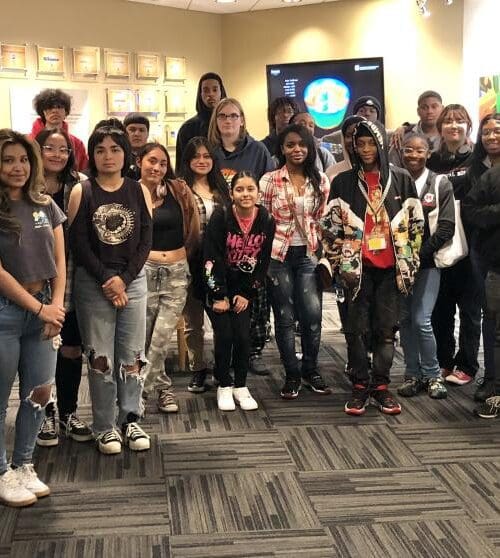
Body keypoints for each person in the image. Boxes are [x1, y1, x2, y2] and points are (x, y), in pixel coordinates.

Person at [319, 119, 424, 415]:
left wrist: (410, 261)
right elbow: (330, 227)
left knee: (386, 330)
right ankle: (359, 386)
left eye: (370, 143)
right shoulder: (343, 182)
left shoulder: (401, 179)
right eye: (359, 144)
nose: (365, 149)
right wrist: (338, 261)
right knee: (355, 330)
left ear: (380, 144)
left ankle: (381, 387)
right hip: (357, 269)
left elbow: (416, 226)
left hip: (391, 269)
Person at [67, 126, 153, 455]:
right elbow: (79, 243)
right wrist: (107, 279)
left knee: (133, 355)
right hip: (94, 283)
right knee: (100, 357)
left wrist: (125, 278)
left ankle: (130, 417)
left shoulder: (138, 190)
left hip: (133, 280)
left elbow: (145, 240)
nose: (108, 156)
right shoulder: (82, 191)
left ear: (125, 154)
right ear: (92, 154)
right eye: (100, 149)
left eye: (115, 149)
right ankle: (104, 426)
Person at [0, 129, 66, 506]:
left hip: (44, 308)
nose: (17, 167)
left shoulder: (45, 204)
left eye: (23, 159)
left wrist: (54, 307)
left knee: (38, 394)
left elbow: (60, 261)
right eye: (8, 160)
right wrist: (39, 307)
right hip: (7, 311)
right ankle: (1, 471)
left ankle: (24, 463)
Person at [261, 123, 330, 399]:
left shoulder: (321, 180)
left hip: (309, 255)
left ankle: (311, 369)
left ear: (310, 147)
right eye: (290, 144)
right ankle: (291, 374)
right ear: (282, 148)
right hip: (278, 255)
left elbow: (324, 220)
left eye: (301, 144)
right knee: (285, 317)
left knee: (312, 316)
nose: (296, 149)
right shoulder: (269, 180)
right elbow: (263, 221)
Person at [33, 128, 93, 447]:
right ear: (38, 150)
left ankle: (68, 411)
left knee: (71, 347)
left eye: (63, 150)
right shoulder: (25, 185)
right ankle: (45, 414)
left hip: (72, 273)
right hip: (33, 277)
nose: (57, 154)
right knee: (39, 350)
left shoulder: (79, 184)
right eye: (50, 148)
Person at [208, 97, 275, 375]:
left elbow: (266, 188)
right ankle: (223, 357)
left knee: (253, 300)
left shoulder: (258, 150)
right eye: (222, 116)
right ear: (216, 121)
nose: (228, 121)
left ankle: (251, 354)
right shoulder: (210, 151)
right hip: (218, 229)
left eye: (234, 116)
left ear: (242, 119)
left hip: (252, 234)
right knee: (220, 304)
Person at [203, 171, 275, 411]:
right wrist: (218, 295)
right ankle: (224, 384)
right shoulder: (221, 216)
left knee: (243, 337)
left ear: (258, 192)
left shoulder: (266, 219)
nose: (245, 194)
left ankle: (240, 385)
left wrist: (246, 292)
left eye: (250, 189)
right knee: (225, 336)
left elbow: (263, 261)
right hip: (216, 285)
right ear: (231, 193)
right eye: (240, 189)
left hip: (243, 288)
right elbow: (210, 258)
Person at [138, 142, 199, 413]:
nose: (157, 167)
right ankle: (163, 388)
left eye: (162, 163)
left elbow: (194, 228)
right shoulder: (130, 191)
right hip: (145, 271)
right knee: (148, 337)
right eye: (152, 161)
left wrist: (184, 255)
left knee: (161, 336)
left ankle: (137, 395)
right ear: (140, 161)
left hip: (176, 271)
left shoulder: (178, 189)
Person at [396, 132, 455, 400]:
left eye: (419, 150)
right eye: (408, 150)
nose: (414, 155)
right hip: (398, 265)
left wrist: (419, 254)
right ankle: (412, 373)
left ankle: (433, 375)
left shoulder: (439, 183)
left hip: (428, 263)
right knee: (405, 320)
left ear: (428, 153)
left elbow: (446, 227)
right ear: (401, 151)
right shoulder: (393, 181)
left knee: (421, 320)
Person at [427, 104, 480, 387]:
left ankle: (468, 364)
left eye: (460, 121)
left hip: (472, 246)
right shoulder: (432, 161)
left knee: (470, 310)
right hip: (440, 243)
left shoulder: (477, 158)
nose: (453, 126)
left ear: (468, 127)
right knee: (440, 309)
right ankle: (443, 361)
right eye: (448, 121)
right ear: (440, 128)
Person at [179, 137, 231, 393]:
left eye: (207, 156)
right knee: (193, 320)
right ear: (188, 160)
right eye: (196, 156)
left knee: (222, 318)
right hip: (191, 260)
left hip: (220, 263)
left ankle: (223, 369)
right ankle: (198, 368)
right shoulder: (179, 188)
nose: (202, 161)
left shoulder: (223, 189)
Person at [462, 112, 500, 403]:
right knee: (492, 319)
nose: (492, 136)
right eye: (486, 132)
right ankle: (491, 380)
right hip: (490, 259)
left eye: (497, 131)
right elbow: (470, 211)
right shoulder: (485, 173)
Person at [175, 72, 227, 173]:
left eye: (215, 90)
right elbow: (181, 166)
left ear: (221, 93)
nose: (211, 94)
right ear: (200, 94)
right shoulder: (188, 128)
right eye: (206, 90)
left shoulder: (231, 124)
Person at [31, 89, 88, 172]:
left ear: (66, 112)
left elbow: (83, 170)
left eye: (59, 107)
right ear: (43, 112)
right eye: (50, 107)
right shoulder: (29, 140)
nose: (55, 111)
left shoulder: (77, 143)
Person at [389, 90, 444, 166]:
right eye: (424, 107)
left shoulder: (449, 135)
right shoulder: (402, 137)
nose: (429, 111)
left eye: (434, 107)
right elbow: (393, 168)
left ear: (442, 109)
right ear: (418, 111)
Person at [290, 111, 336, 176]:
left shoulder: (323, 154)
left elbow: (333, 180)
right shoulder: (282, 155)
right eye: (302, 124)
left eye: (311, 125)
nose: (307, 128)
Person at [124, 113, 150, 180]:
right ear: (124, 133)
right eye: (132, 130)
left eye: (141, 130)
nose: (137, 134)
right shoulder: (118, 157)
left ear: (148, 134)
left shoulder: (156, 156)